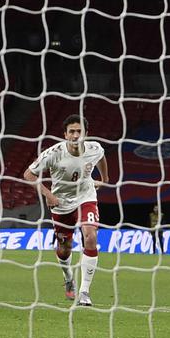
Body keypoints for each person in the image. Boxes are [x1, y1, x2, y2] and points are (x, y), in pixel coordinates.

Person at [24, 114, 108, 305]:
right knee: (64, 248)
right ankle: (68, 277)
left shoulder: (94, 148)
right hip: (61, 204)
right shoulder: (53, 153)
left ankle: (84, 292)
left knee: (91, 236)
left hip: (86, 197)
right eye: (72, 131)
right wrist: (49, 195)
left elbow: (101, 158)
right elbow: (29, 174)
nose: (76, 135)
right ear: (65, 134)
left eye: (79, 131)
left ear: (86, 133)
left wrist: (105, 178)